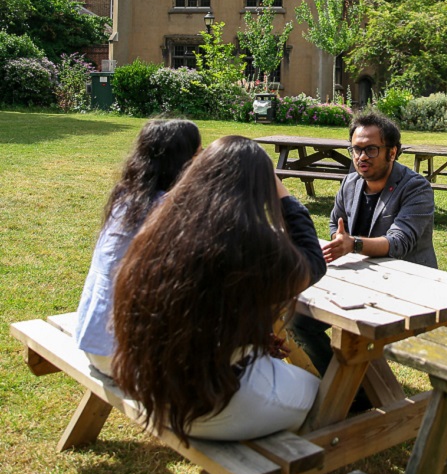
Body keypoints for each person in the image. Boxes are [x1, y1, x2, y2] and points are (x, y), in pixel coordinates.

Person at [111, 136, 326, 444]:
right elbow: (312, 263)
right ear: (259, 188)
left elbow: (200, 308)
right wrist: (283, 193)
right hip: (209, 407)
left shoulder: (161, 227)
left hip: (153, 389)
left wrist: (249, 338)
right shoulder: (250, 241)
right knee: (323, 394)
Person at [292, 110, 436, 381]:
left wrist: (353, 245)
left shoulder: (416, 188)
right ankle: (351, 390)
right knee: (296, 319)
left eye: (371, 149)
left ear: (392, 152)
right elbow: (336, 225)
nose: (361, 157)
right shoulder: (350, 183)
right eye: (356, 149)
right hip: (361, 280)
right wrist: (341, 241)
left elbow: (399, 242)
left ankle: (356, 388)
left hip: (409, 286)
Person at [74, 119, 202, 376]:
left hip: (94, 341)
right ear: (183, 160)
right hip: (129, 357)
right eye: (199, 153)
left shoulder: (125, 198)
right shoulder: (172, 208)